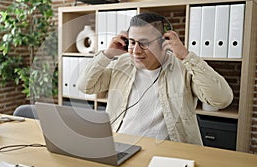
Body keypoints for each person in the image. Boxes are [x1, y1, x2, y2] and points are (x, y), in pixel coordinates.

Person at [77, 12, 233, 145]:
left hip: (167, 153)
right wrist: (107, 54)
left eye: (144, 43)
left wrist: (187, 56)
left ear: (164, 43)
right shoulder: (122, 63)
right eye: (132, 42)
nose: (136, 51)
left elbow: (222, 99)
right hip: (120, 145)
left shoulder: (183, 67)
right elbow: (85, 86)